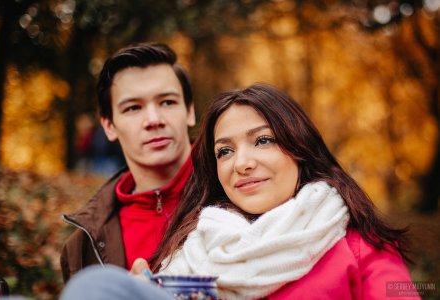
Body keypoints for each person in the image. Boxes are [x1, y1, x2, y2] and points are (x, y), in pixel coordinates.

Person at [61, 83, 418, 299]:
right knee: (99, 288)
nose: (241, 163)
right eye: (225, 151)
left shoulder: (362, 249)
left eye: (263, 140)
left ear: (300, 149)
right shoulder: (193, 250)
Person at [60, 42, 196, 283]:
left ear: (190, 111)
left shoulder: (244, 191)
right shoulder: (81, 249)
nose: (154, 120)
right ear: (109, 126)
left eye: (167, 102)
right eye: (133, 108)